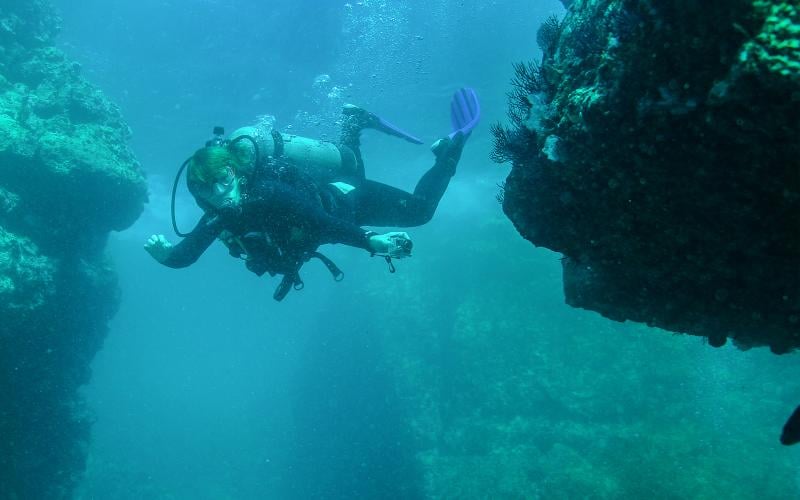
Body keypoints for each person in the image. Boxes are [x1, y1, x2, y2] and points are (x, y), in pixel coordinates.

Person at [145, 88, 480, 300]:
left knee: (419, 212)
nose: (220, 192)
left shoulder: (267, 192)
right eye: (207, 188)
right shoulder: (220, 214)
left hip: (347, 201)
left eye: (224, 178)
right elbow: (187, 253)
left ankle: (450, 149)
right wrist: (167, 256)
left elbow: (320, 222)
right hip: (332, 205)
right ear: (198, 193)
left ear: (235, 170)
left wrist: (369, 241)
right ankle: (352, 121)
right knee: (351, 166)